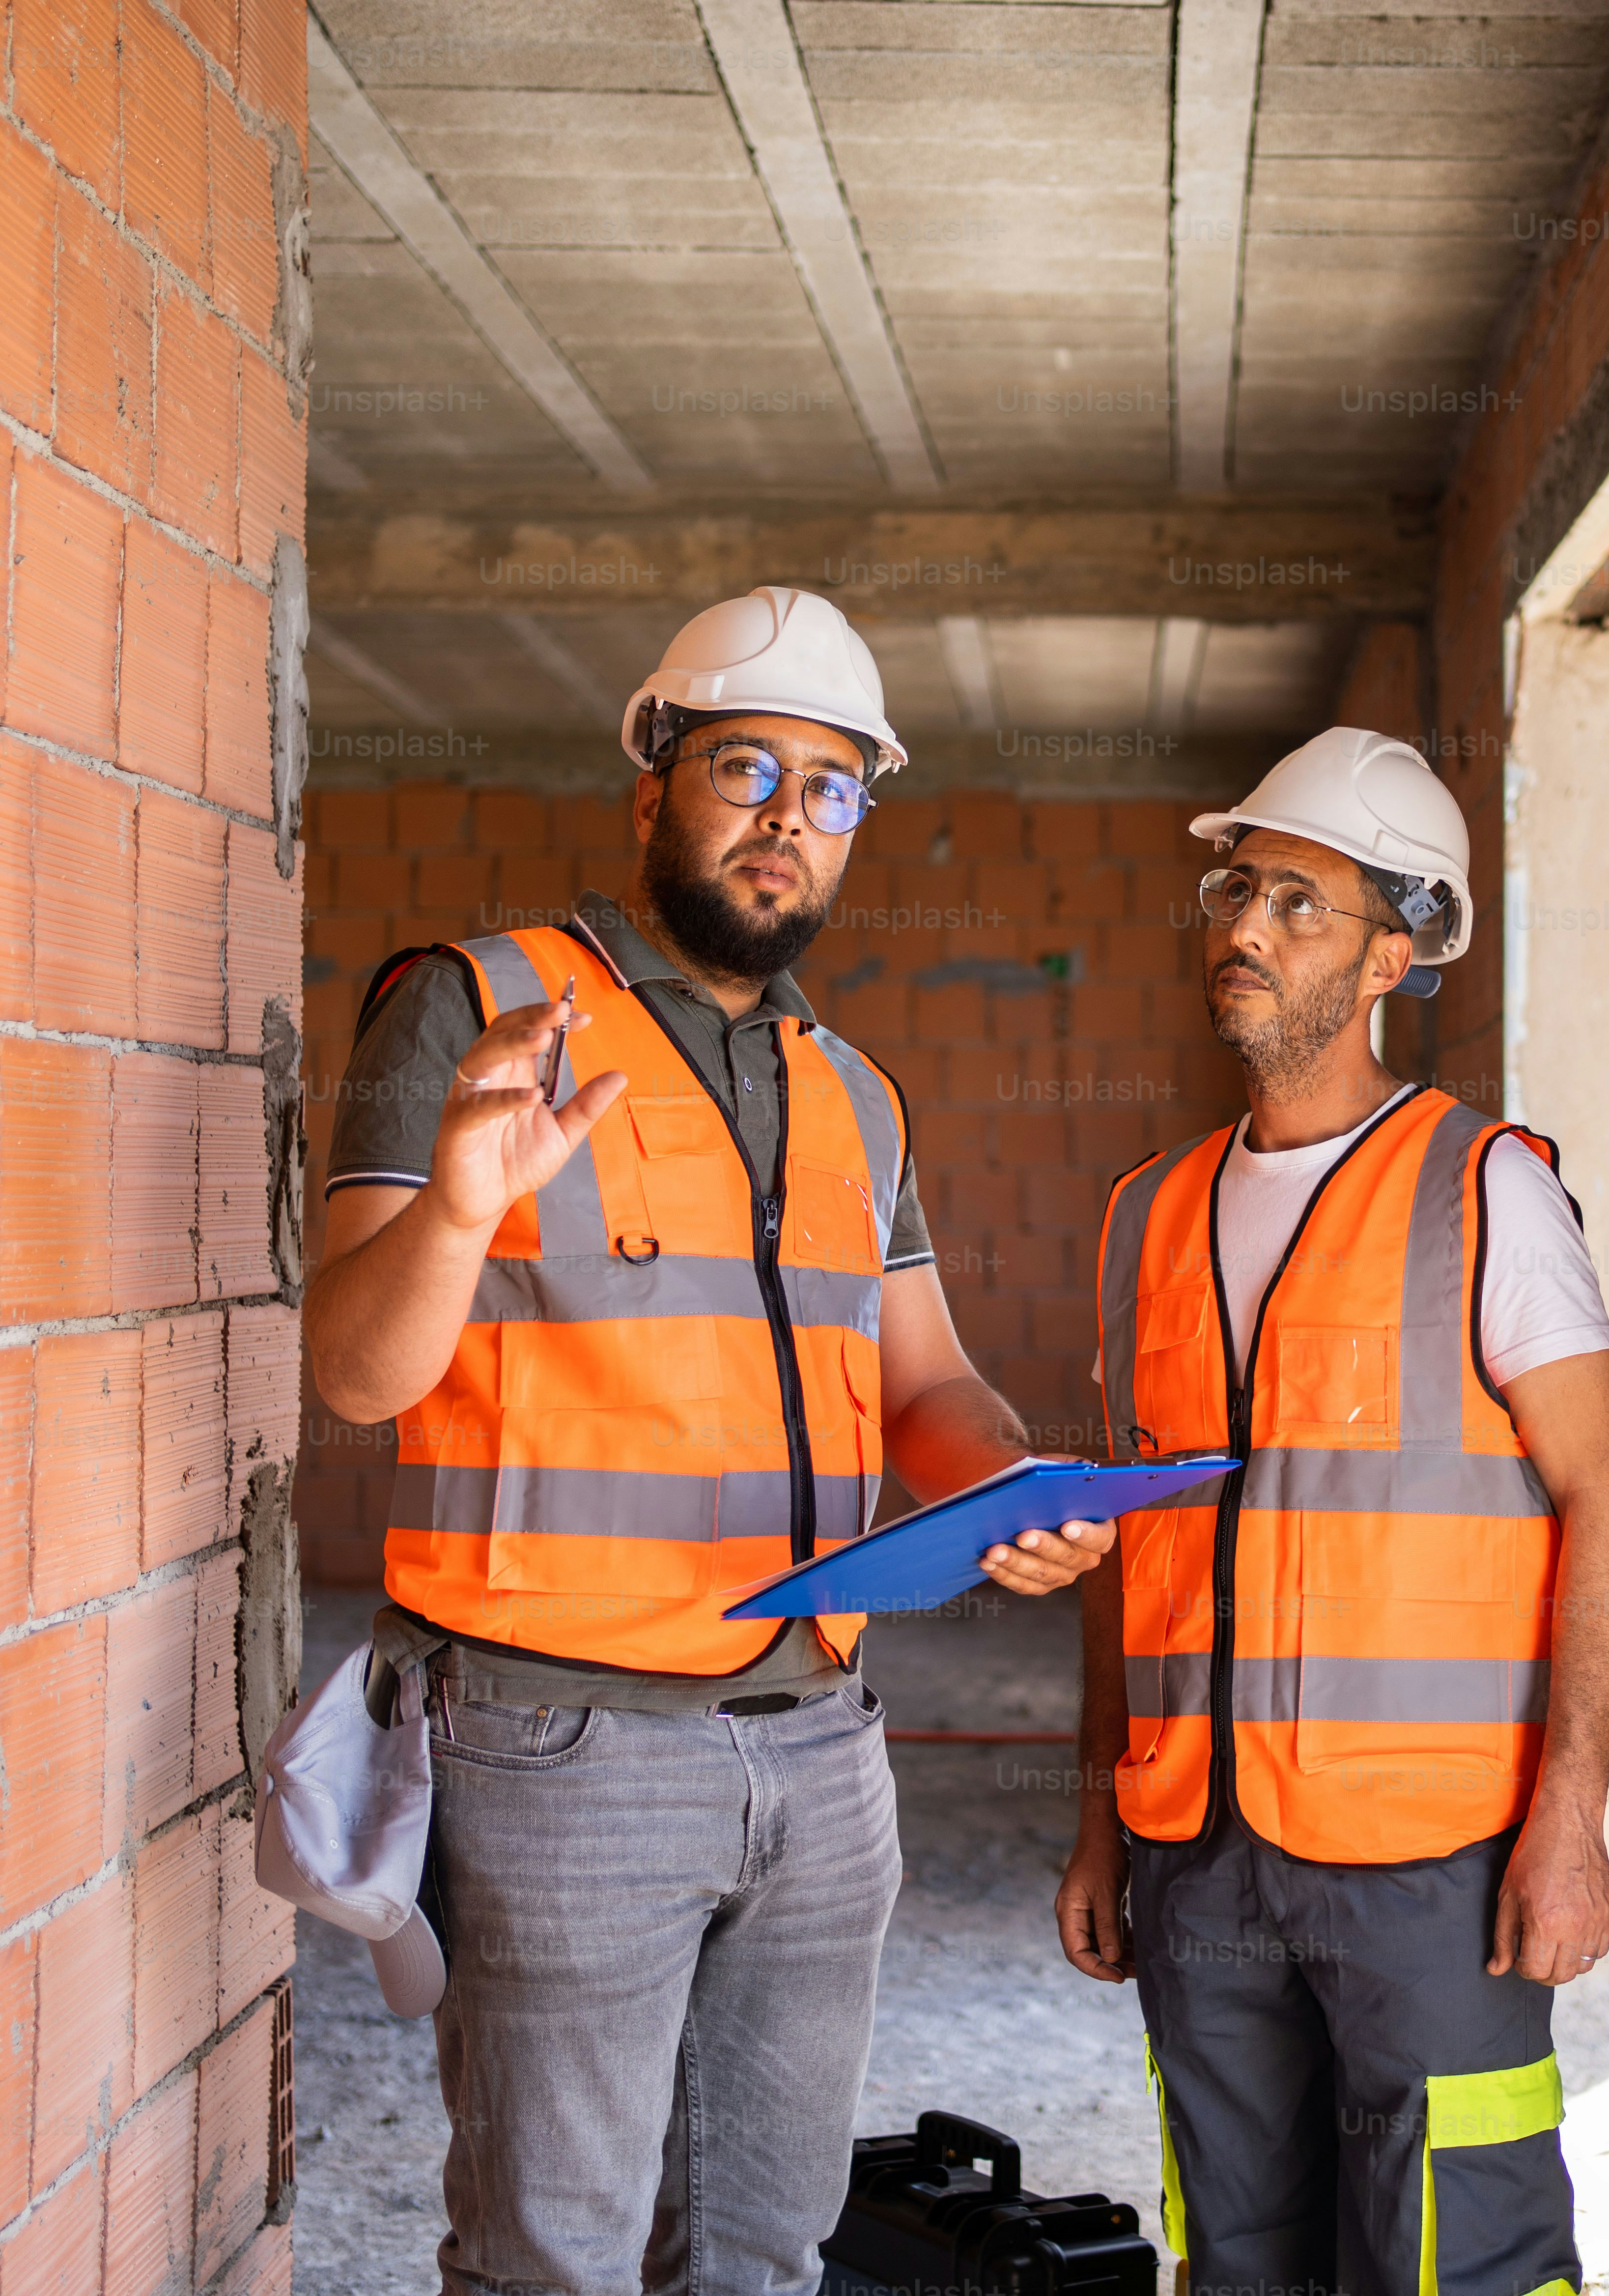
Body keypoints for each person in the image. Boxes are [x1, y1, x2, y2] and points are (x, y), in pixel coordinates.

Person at [303, 585, 1111, 2296]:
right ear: (654, 783)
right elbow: (358, 1376)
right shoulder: (475, 1008)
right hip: (561, 1749)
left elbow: (931, 1386)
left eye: (832, 789)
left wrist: (1007, 1489)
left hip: (821, 1749)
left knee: (767, 2255)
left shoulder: (854, 1093)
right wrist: (456, 1209)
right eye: (748, 768)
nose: (787, 819)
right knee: (554, 2261)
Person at [1052, 727, 1609, 2296]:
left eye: (1298, 903)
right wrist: (1102, 1817)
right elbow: (1130, 1549)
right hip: (1196, 1849)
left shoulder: (1482, 1189)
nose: (1246, 927)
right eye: (1237, 890)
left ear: (1395, 953)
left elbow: (1607, 1500)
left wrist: (1571, 1820)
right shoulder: (1145, 1217)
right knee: (1239, 2257)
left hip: (1432, 1863)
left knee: (1458, 2256)